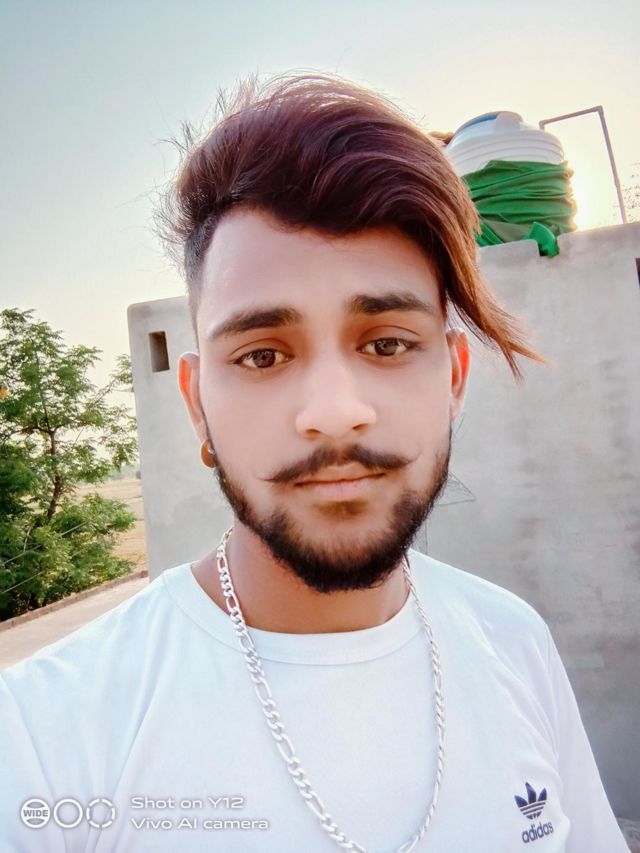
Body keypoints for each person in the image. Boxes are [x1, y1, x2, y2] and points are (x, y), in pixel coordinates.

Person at [0, 74, 628, 853]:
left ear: (454, 380)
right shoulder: (41, 737)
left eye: (387, 343)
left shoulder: (514, 642)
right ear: (196, 405)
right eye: (262, 354)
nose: (333, 411)